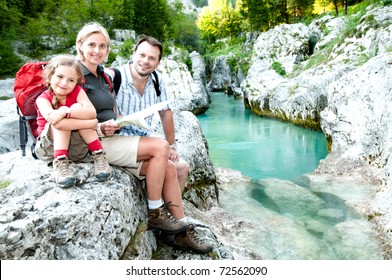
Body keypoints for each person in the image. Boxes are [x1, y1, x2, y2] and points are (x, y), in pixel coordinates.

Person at [75, 22, 213, 253]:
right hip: (109, 142)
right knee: (162, 151)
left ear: (158, 62)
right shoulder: (110, 75)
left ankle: (178, 230)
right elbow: (69, 109)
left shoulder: (107, 76)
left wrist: (172, 144)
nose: (145, 61)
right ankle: (157, 214)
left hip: (133, 140)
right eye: (142, 55)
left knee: (174, 167)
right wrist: (102, 127)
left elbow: (165, 111)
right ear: (133, 55)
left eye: (152, 58)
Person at [34, 55, 111, 188]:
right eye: (60, 77)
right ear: (49, 76)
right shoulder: (43, 98)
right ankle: (60, 163)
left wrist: (66, 111)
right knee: (63, 119)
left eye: (71, 80)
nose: (64, 83)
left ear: (77, 82)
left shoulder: (77, 91)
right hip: (50, 148)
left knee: (77, 109)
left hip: (75, 148)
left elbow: (91, 112)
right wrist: (92, 124)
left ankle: (98, 155)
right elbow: (57, 123)